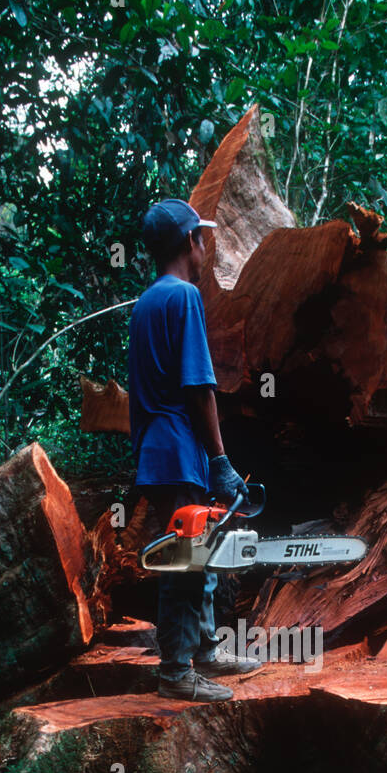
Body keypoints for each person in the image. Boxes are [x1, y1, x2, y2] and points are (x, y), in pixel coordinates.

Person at [128, 198, 260, 702]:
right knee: (185, 562)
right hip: (179, 446)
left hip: (160, 448)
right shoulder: (183, 297)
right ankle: (176, 672)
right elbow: (199, 386)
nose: (205, 247)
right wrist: (222, 460)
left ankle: (203, 650)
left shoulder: (145, 303)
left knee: (196, 554)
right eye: (201, 238)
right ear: (189, 242)